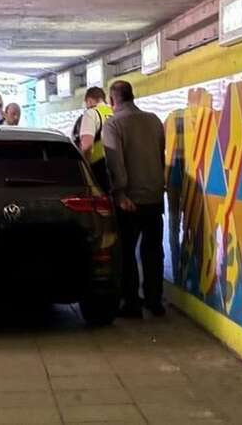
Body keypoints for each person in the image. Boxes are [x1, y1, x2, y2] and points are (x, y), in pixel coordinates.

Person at [102, 80, 166, 318]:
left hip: (129, 200)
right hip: (154, 196)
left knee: (127, 252)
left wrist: (119, 192)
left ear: (112, 101)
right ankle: (155, 301)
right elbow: (160, 154)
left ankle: (132, 303)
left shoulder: (113, 124)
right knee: (153, 251)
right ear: (132, 96)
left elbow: (114, 162)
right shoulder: (154, 120)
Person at [76, 87, 114, 192]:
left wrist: (84, 169)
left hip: (99, 168)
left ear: (89, 100)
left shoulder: (91, 113)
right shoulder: (115, 111)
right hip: (117, 167)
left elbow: (87, 145)